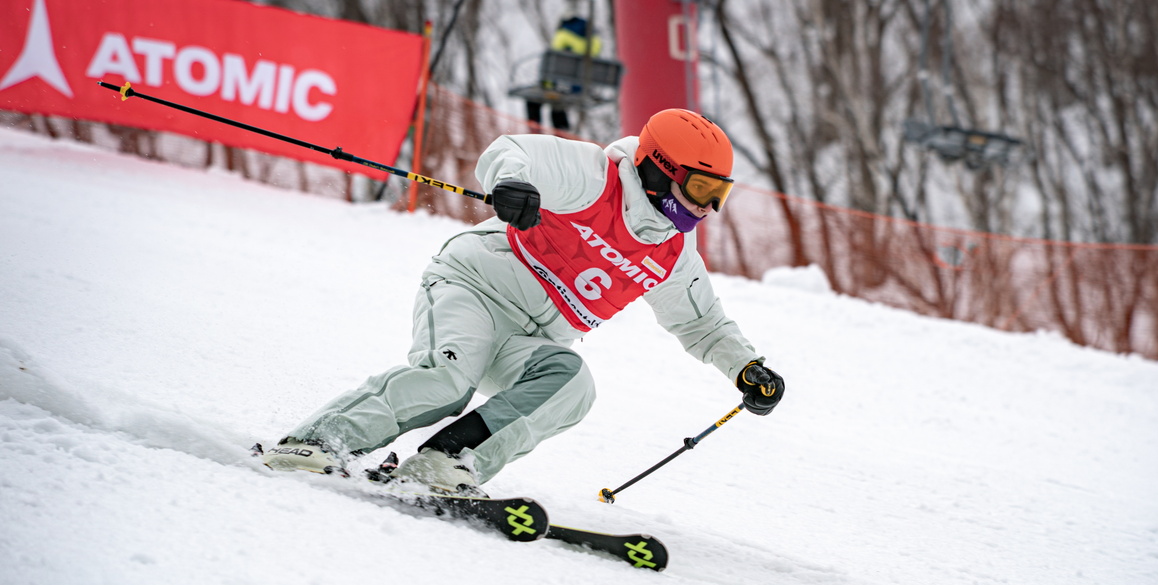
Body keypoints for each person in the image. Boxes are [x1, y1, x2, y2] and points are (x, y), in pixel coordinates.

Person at [261, 108, 785, 495]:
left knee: (573, 385)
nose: (707, 206)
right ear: (657, 169)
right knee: (447, 384)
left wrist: (747, 368)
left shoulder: (673, 251)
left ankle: (445, 463)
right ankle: (316, 442)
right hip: (476, 288)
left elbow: (704, 325)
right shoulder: (593, 176)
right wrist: (511, 185)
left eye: (719, 193)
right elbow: (511, 151)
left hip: (529, 340)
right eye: (699, 187)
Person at [525, 16, 602, 132]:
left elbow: (554, 61)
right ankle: (562, 132)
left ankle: (534, 130)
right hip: (581, 86)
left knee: (534, 98)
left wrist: (547, 83)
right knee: (557, 102)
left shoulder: (563, 36)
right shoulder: (594, 40)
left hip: (563, 85)